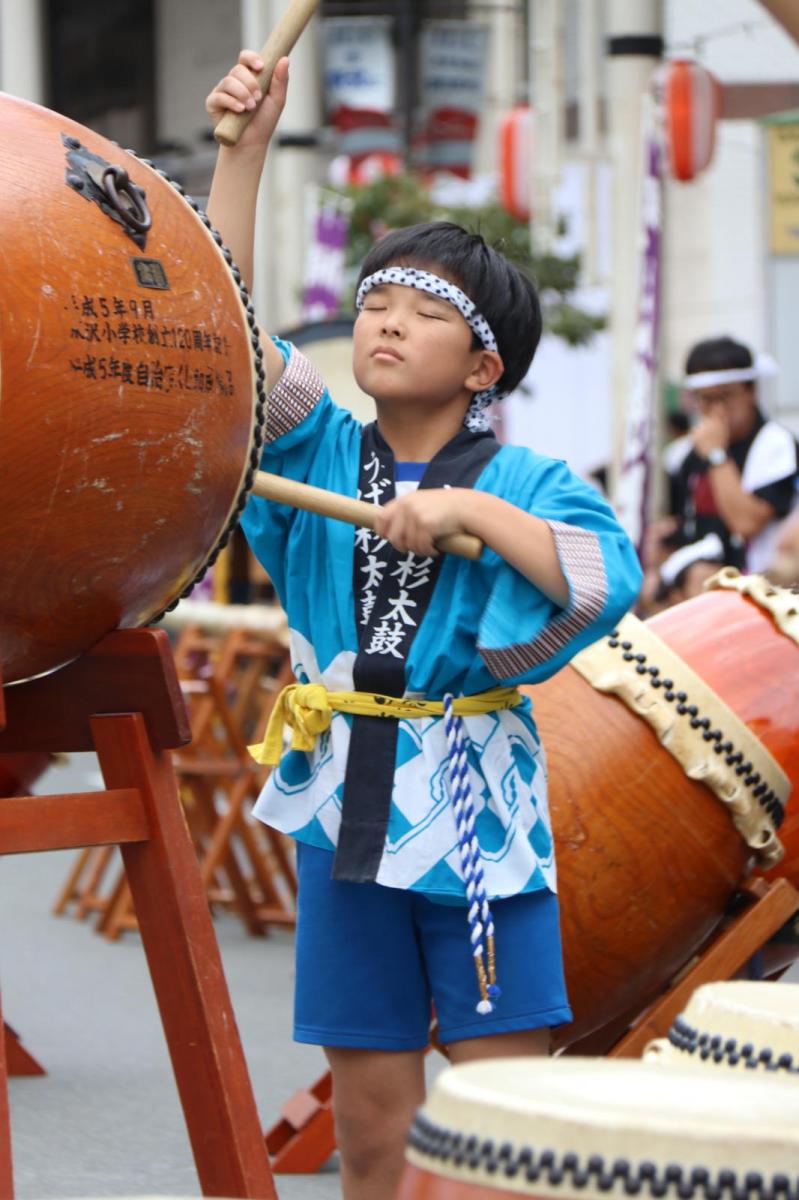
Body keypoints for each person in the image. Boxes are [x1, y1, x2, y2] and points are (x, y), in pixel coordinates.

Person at [205, 50, 642, 1200]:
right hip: (340, 806)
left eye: (417, 310)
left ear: (484, 362)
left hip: (476, 811)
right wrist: (244, 153)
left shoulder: (535, 480)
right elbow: (226, 333)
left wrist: (469, 510)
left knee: (509, 1118)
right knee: (370, 1121)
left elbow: (603, 577)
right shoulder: (314, 449)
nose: (382, 322)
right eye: (373, 304)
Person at [663, 336, 798, 574]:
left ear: (750, 392)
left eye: (724, 397)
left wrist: (718, 455)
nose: (716, 410)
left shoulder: (775, 443)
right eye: (705, 399)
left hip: (764, 583)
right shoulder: (687, 454)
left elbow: (746, 523)